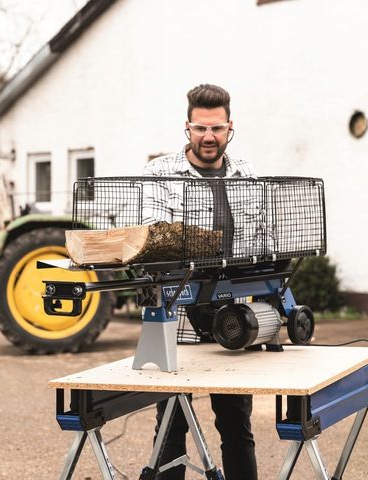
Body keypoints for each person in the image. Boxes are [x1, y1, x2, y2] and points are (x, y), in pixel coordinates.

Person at [144, 84, 258, 480]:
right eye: (200, 128)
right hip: (174, 309)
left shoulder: (246, 174)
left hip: (232, 311)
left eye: (217, 128)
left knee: (236, 424)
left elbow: (259, 236)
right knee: (171, 423)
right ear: (187, 127)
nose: (208, 137)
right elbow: (152, 235)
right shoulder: (159, 172)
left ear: (230, 128)